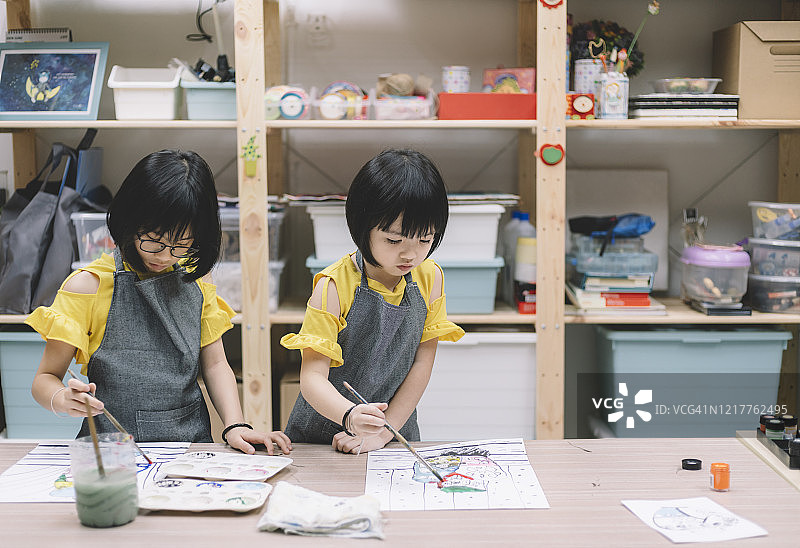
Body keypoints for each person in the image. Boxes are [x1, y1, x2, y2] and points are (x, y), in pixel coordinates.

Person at [28, 149, 291, 455]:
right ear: (130, 220)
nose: (165, 256)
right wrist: (61, 398)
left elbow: (217, 365)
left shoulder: (197, 284)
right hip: (110, 453)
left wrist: (235, 425)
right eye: (153, 240)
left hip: (190, 447)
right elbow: (44, 379)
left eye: (181, 245)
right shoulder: (88, 286)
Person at [280, 148, 464, 453]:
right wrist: (349, 416)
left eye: (425, 240)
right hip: (323, 435)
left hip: (392, 431)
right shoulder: (333, 286)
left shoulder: (430, 278)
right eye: (394, 240)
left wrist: (383, 432)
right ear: (362, 226)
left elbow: (422, 363)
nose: (410, 254)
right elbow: (312, 377)